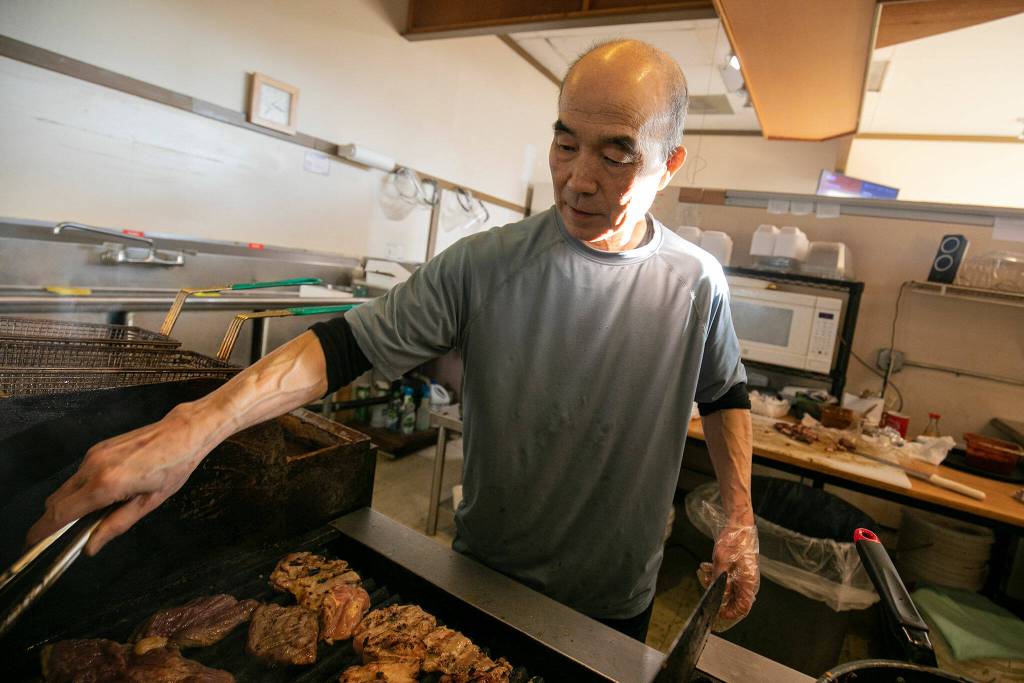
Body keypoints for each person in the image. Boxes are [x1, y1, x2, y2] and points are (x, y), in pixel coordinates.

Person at [28, 40, 759, 643]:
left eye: (616, 155)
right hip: (485, 581)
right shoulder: (488, 262)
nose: (577, 179)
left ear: (670, 163)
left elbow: (723, 392)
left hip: (615, 598)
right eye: (565, 143)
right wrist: (196, 426)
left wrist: (740, 513)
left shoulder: (697, 283)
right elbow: (344, 345)